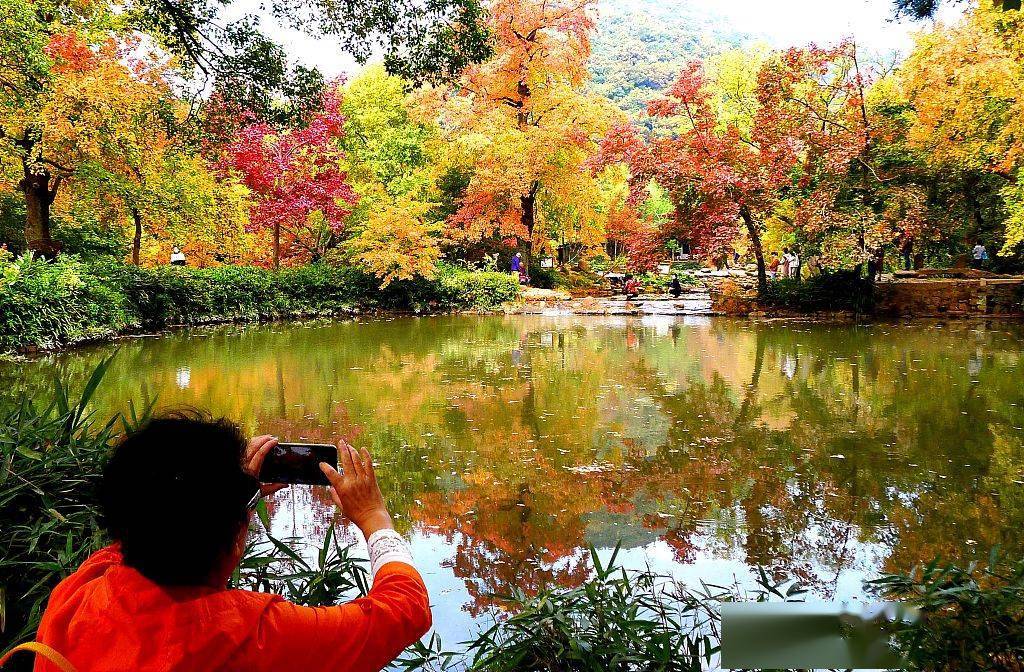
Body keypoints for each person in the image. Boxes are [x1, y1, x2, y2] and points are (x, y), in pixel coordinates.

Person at [32, 413, 430, 672]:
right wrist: (375, 518)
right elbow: (404, 610)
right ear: (234, 537)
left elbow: (157, 521)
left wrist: (235, 498)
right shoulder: (248, 637)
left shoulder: (77, 594)